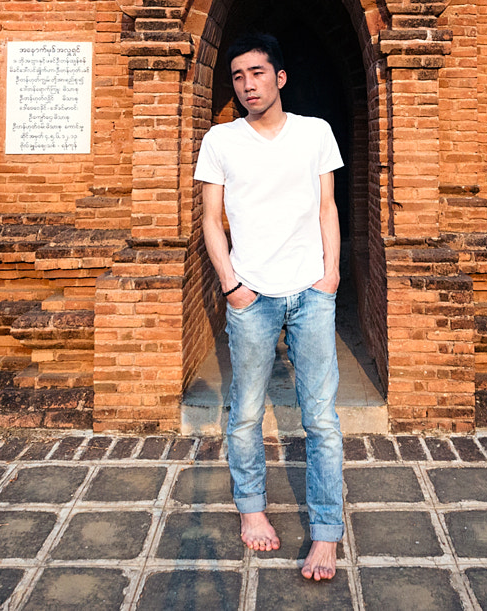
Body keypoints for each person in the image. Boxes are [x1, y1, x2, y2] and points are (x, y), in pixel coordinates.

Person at [196, 31, 346, 582]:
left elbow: (328, 207)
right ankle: (252, 508)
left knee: (322, 419)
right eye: (238, 77)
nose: (247, 85)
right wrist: (230, 283)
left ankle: (326, 534)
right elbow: (212, 219)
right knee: (246, 414)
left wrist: (331, 276)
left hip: (311, 291)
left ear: (279, 78)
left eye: (257, 73)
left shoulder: (315, 133)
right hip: (251, 296)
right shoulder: (221, 141)